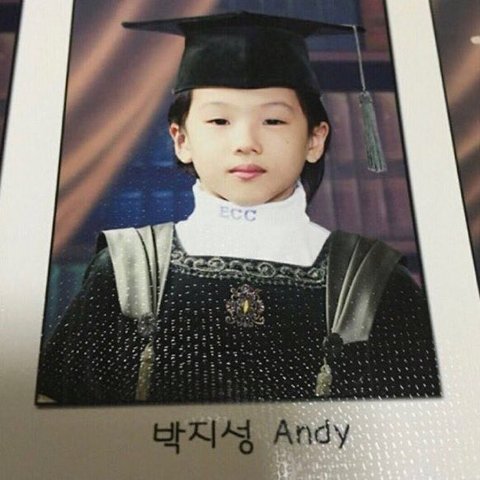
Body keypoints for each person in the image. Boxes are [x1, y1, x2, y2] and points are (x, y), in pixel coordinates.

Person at [37, 12, 440, 405]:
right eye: (219, 121)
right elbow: (59, 422)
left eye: (274, 121)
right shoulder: (127, 270)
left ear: (315, 140)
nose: (246, 143)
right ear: (181, 140)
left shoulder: (372, 280)